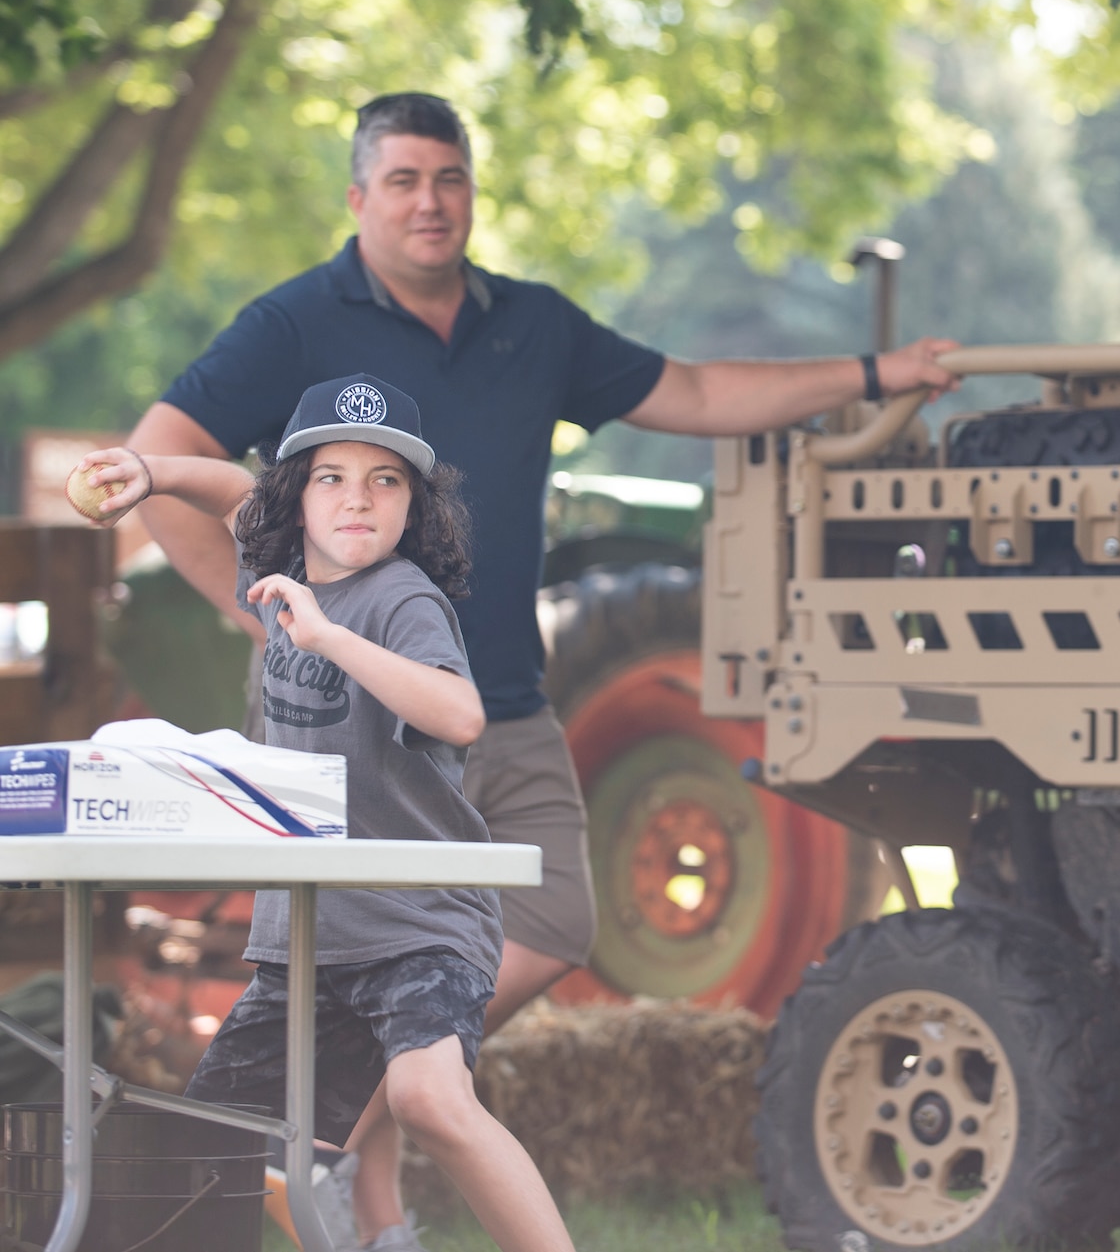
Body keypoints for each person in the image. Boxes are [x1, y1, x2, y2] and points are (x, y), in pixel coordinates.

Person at [124, 91, 958, 1244]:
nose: (430, 200)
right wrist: (260, 610)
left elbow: (704, 394)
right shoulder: (296, 324)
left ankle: (364, 1117)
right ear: (359, 197)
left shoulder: (533, 325)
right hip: (359, 739)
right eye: (404, 179)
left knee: (559, 921)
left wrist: (879, 372)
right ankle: (376, 1200)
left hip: (501, 706)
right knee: (368, 1004)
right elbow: (165, 456)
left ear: (471, 190)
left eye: (449, 177)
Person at [77, 377, 573, 1252]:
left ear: (414, 503)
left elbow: (460, 714)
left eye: (386, 480)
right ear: (296, 499)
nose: (357, 498)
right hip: (309, 934)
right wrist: (149, 470)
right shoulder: (286, 566)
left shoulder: (401, 597)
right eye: (330, 477)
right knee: (206, 1151)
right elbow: (235, 490)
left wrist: (331, 637)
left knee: (427, 1096)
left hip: (418, 918)